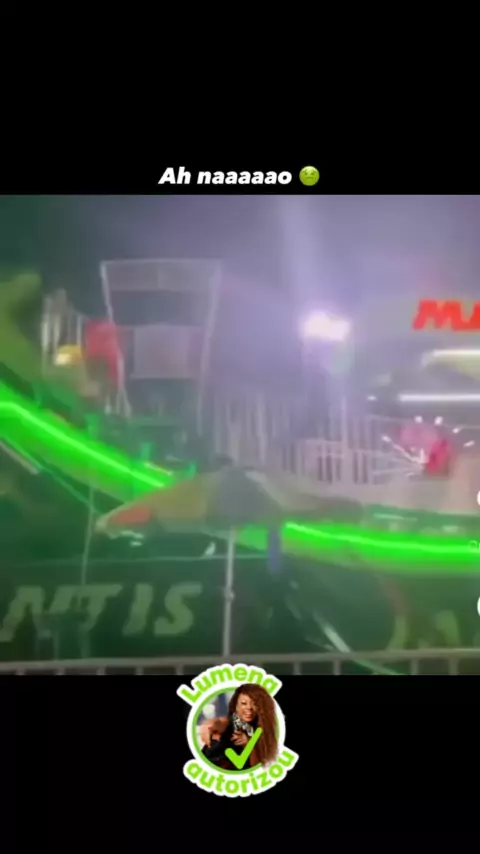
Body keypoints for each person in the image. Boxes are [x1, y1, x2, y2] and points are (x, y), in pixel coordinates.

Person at [199, 683, 278, 769]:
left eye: (254, 703)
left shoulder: (262, 729)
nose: (249, 707)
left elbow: (258, 766)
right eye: (244, 703)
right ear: (236, 706)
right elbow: (219, 723)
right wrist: (209, 726)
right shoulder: (228, 722)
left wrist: (248, 744)